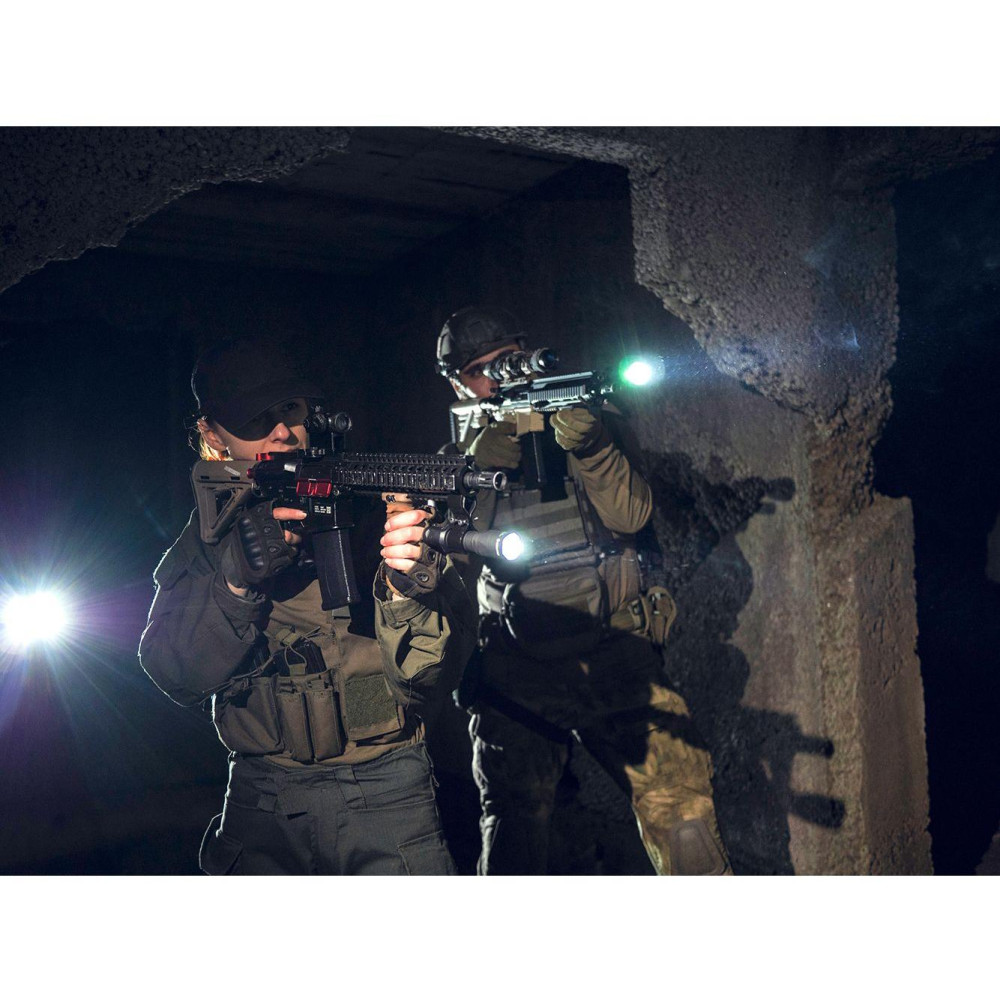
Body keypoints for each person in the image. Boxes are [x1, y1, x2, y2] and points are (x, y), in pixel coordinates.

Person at [139, 338, 475, 875]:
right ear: (212, 434)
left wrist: (406, 590)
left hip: (386, 783)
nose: (281, 432)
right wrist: (235, 583)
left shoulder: (376, 510)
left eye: (291, 409)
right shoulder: (211, 533)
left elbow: (435, 680)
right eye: (255, 419)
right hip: (263, 794)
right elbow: (175, 674)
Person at [436, 306, 731, 875]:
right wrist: (475, 476)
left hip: (615, 650)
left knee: (682, 814)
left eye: (508, 360)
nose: (499, 376)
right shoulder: (460, 457)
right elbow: (448, 558)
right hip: (517, 668)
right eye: (479, 370)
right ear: (458, 385)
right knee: (516, 831)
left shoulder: (586, 418)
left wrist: (593, 449)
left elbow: (632, 516)